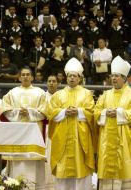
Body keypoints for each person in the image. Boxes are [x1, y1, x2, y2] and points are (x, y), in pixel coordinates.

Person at [45, 58, 95, 190]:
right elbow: (51, 112)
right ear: (66, 78)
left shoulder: (86, 94)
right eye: (69, 76)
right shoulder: (58, 95)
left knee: (81, 170)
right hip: (62, 139)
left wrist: (78, 111)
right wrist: (64, 112)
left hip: (80, 140)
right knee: (63, 172)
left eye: (75, 76)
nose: (72, 78)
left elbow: (91, 113)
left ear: (80, 78)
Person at [0, 67, 47, 190]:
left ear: (32, 77)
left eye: (28, 75)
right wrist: (19, 113)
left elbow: (45, 111)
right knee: (18, 162)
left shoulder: (40, 92)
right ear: (19, 77)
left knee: (33, 161)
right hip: (17, 134)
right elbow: (5, 109)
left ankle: (34, 187)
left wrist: (29, 113)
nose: (25, 77)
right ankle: (15, 186)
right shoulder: (12, 92)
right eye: (23, 75)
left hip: (34, 135)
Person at [94, 56, 131, 190]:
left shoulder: (130, 94)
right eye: (112, 76)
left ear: (124, 78)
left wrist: (120, 113)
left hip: (125, 142)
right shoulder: (105, 95)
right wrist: (104, 113)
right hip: (107, 142)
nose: (114, 78)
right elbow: (96, 112)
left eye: (117, 76)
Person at [45, 74, 58, 190]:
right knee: (46, 157)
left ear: (57, 83)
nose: (51, 83)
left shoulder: (61, 96)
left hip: (58, 130)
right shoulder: (42, 97)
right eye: (49, 81)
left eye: (54, 81)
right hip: (45, 130)